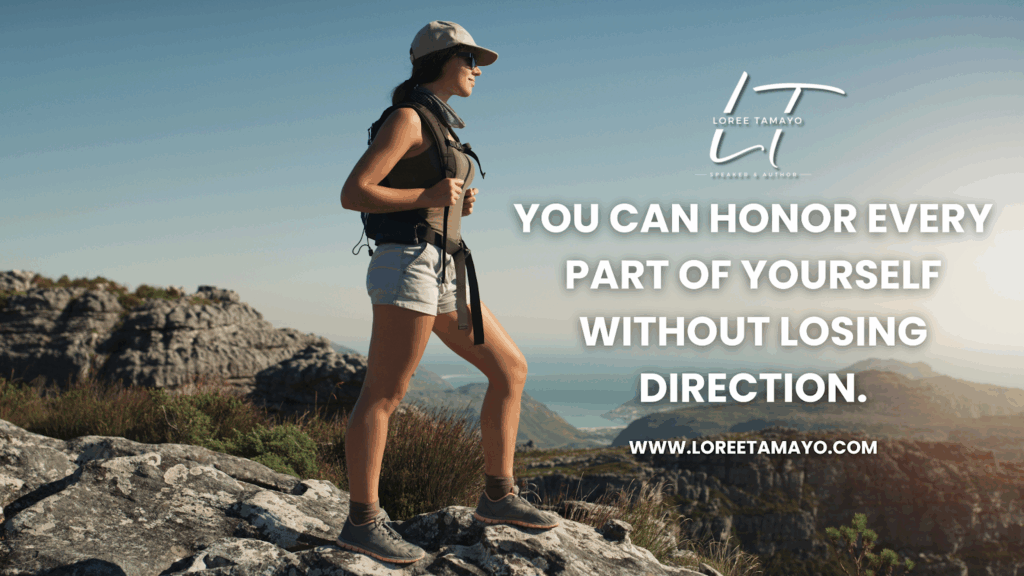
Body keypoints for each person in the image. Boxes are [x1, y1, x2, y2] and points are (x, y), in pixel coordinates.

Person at [337, 21, 560, 564]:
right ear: (440, 61)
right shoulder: (409, 117)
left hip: (442, 267)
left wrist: (452, 205)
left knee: (510, 369)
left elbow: (424, 196)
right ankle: (362, 523)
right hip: (408, 265)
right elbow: (355, 192)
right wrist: (430, 194)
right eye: (469, 60)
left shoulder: (439, 122)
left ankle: (497, 496)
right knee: (384, 395)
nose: (478, 69)